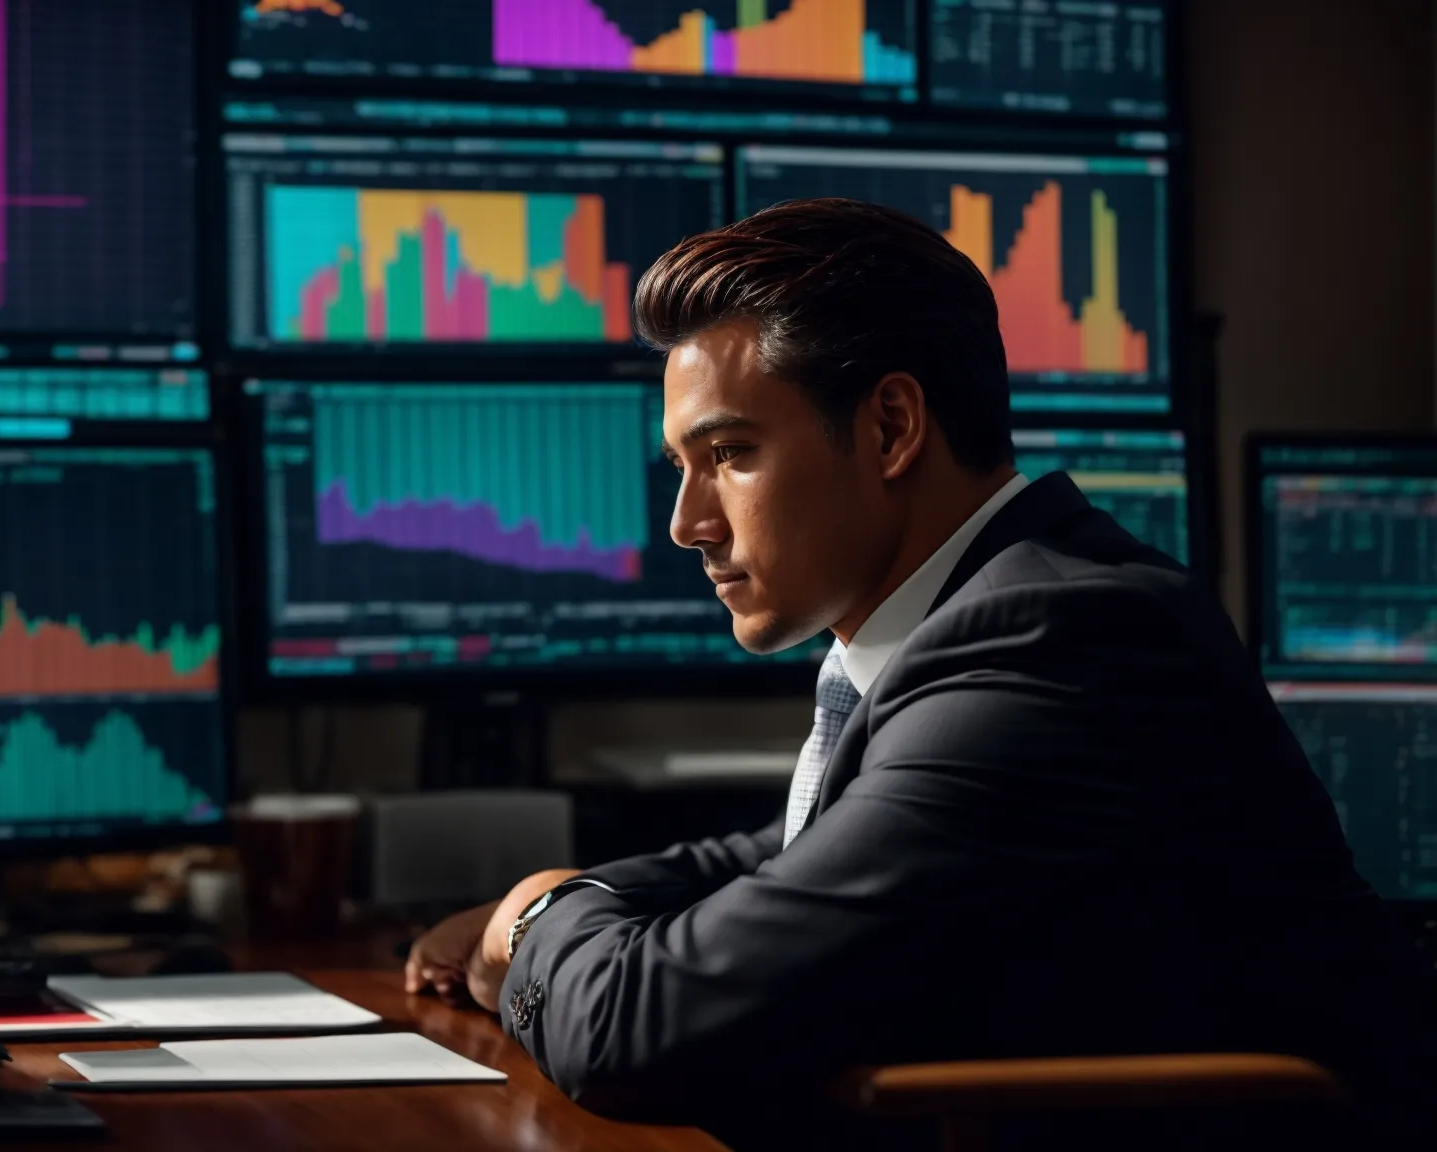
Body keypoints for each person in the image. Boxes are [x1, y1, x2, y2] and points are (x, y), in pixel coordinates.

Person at [404, 199, 1432, 1149]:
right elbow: (779, 860)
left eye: (729, 454)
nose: (687, 523)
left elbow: (642, 1032)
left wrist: (534, 924)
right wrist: (562, 895)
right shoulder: (988, 613)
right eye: (684, 466)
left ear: (891, 427)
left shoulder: (1060, 639)